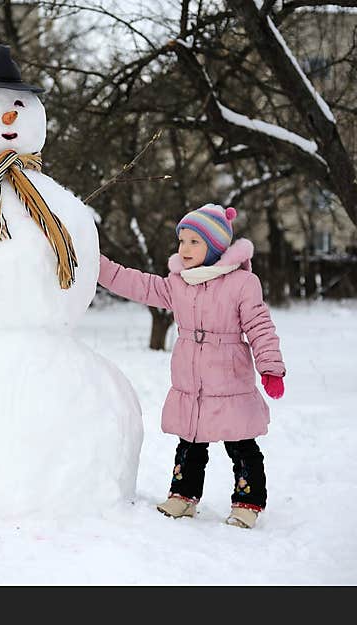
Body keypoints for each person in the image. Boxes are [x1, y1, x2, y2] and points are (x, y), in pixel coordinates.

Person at [97, 203, 285, 529]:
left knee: (241, 443)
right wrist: (95, 265)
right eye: (181, 241)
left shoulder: (241, 284)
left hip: (229, 379)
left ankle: (248, 500)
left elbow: (259, 325)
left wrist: (270, 367)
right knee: (190, 440)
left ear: (214, 246)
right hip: (192, 381)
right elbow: (137, 284)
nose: (184, 249)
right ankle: (183, 496)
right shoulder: (178, 283)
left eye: (194, 242)